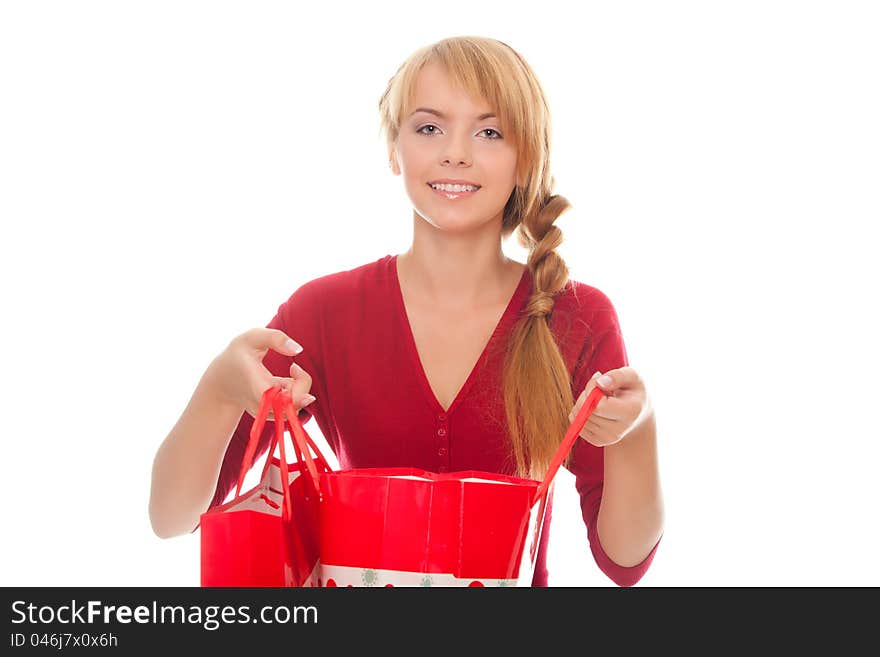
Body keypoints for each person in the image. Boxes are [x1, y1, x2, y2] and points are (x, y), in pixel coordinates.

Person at [149, 35, 664, 587]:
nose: (455, 152)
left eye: (489, 132)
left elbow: (625, 561)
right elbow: (172, 517)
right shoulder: (322, 312)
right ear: (394, 148)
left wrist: (638, 429)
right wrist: (220, 388)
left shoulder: (578, 318)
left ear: (527, 158)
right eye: (428, 128)